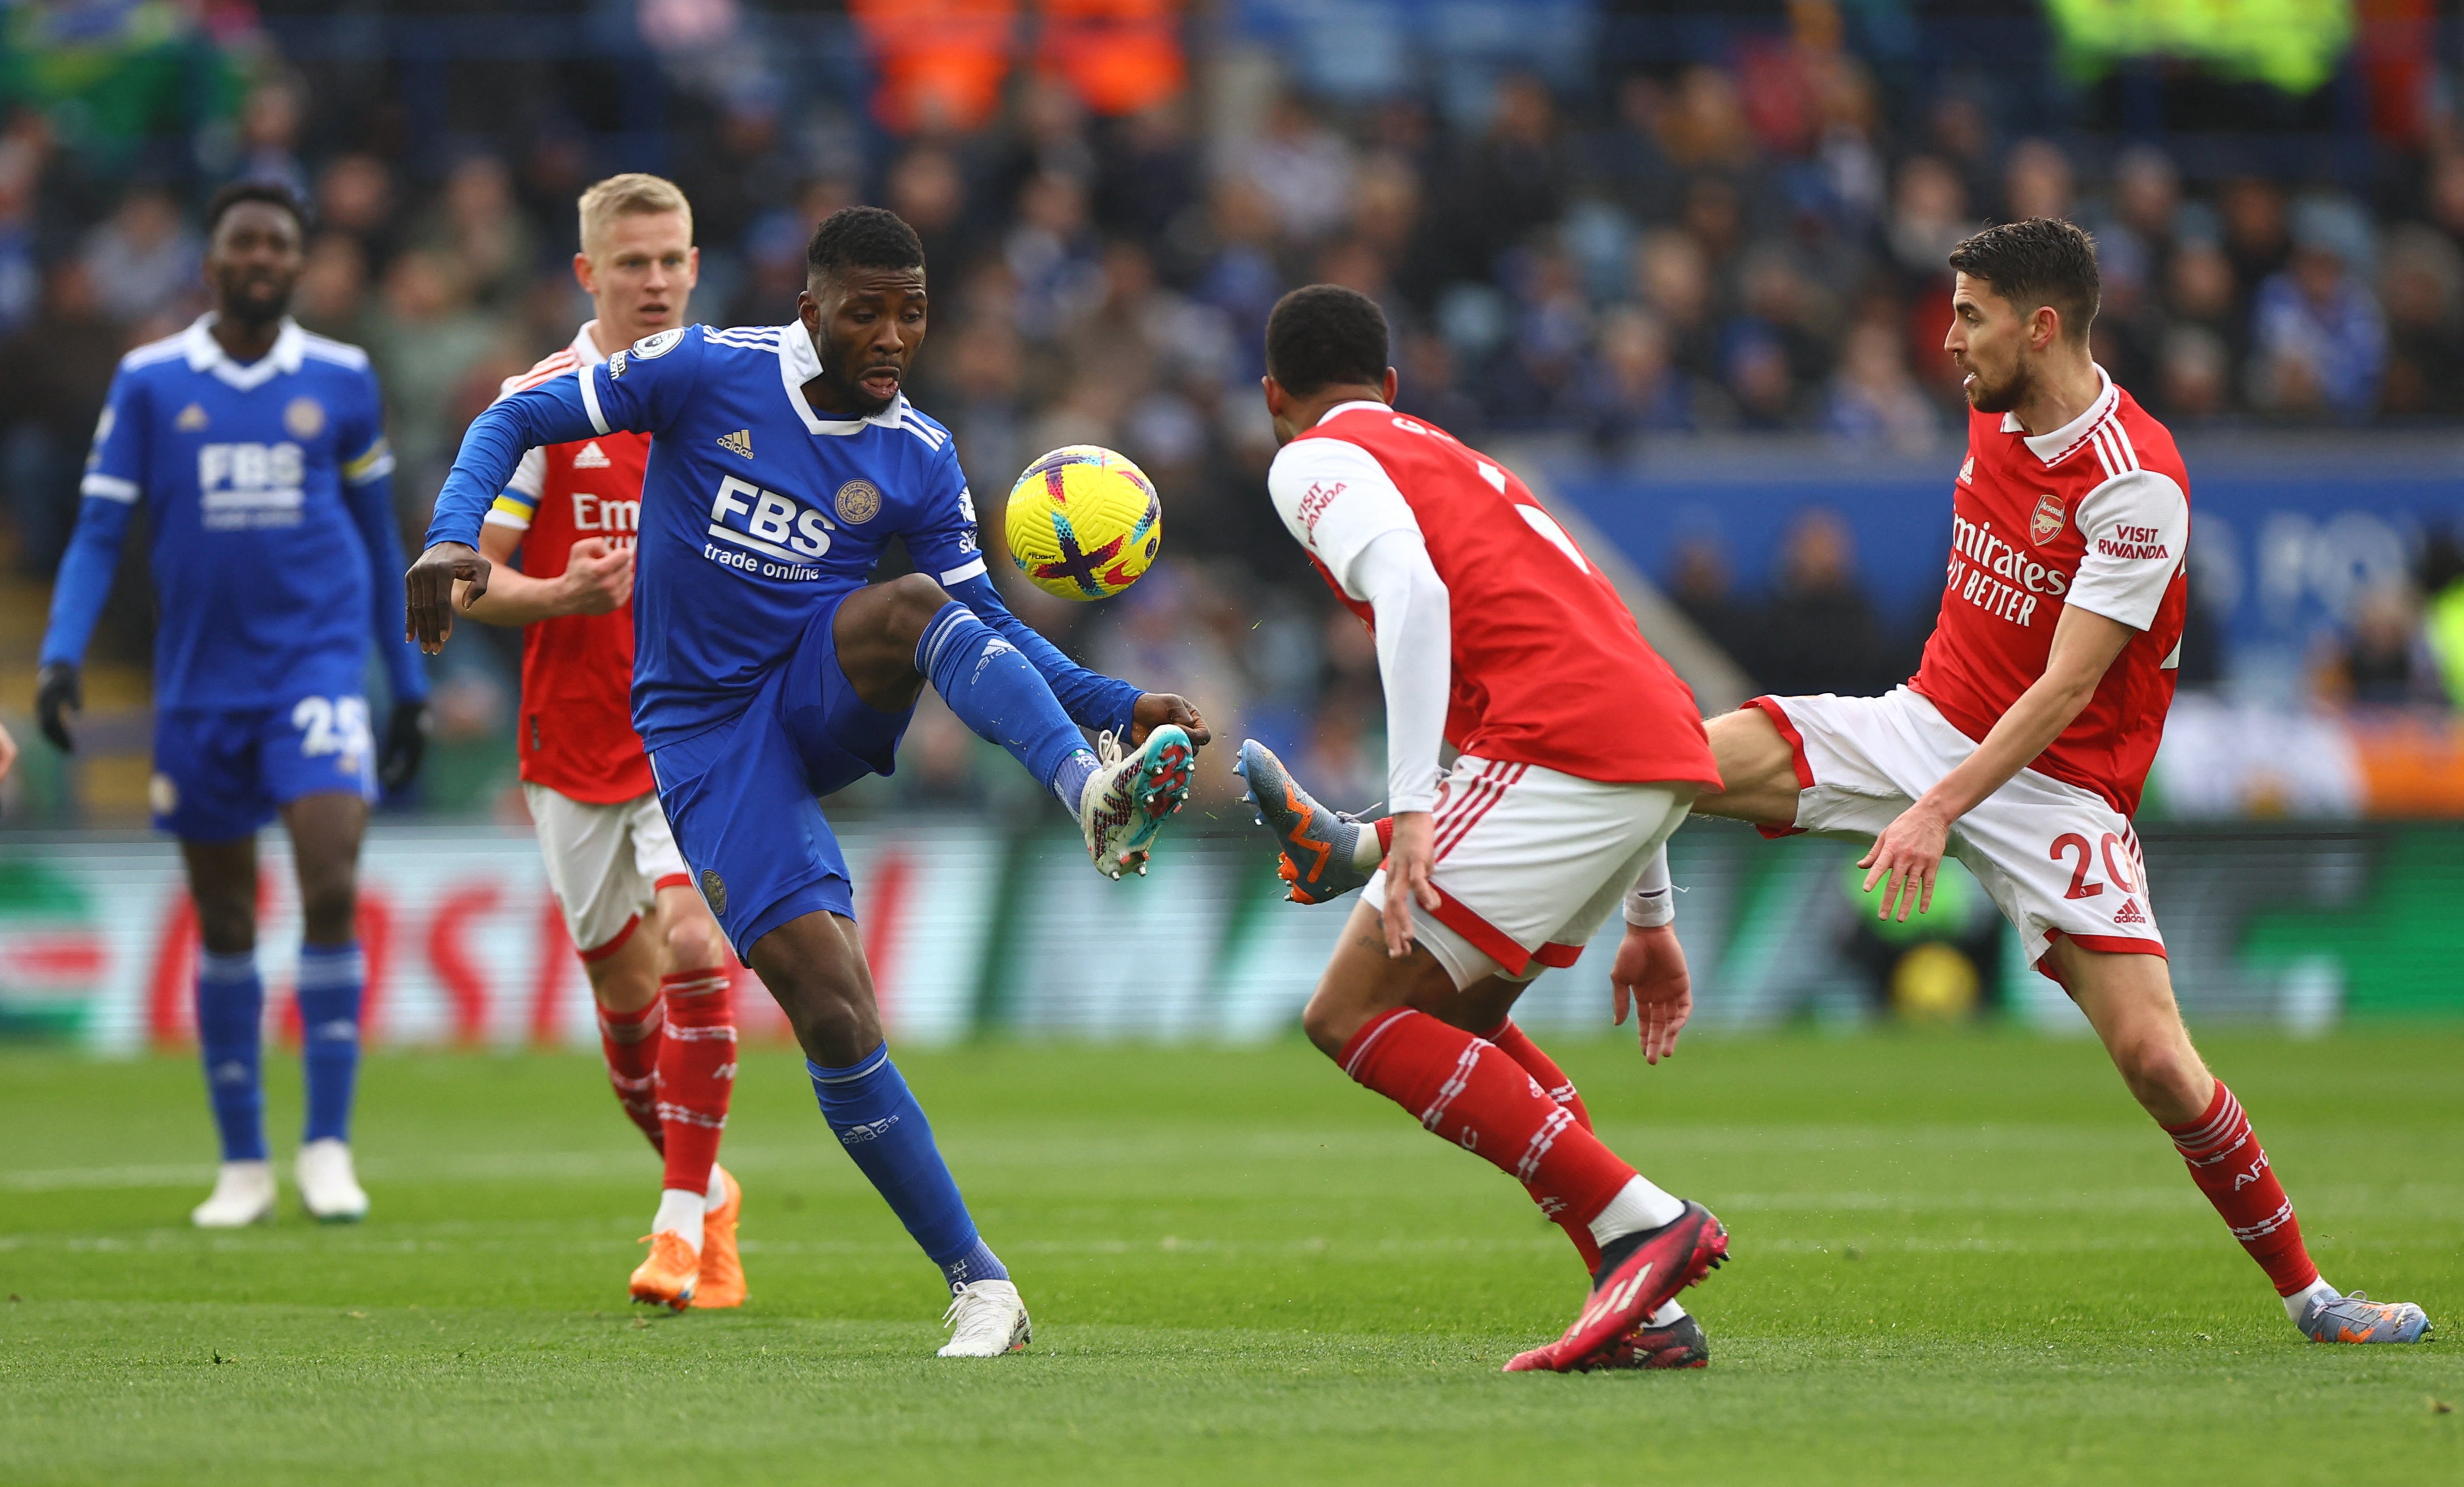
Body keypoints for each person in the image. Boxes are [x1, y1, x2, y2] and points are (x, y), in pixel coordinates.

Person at [1258, 222, 2436, 1348]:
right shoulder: (1996, 410)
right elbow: (1631, 759)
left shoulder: (2137, 485)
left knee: (2154, 1062)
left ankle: (2311, 1294)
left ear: (2039, 327)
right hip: (1919, 724)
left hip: (2055, 784)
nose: (1946, 340)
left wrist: (1936, 809)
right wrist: (1654, 917)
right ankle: (1366, 847)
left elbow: (2066, 692)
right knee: (1666, 749)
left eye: (1968, 319)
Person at [405, 205, 1206, 1357]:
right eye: (866, 312)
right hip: (702, 733)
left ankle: (1089, 790)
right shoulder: (701, 371)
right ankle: (981, 1286)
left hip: (819, 691)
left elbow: (982, 623)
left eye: (912, 312)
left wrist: (1110, 704)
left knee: (921, 609)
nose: (891, 336)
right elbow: (517, 411)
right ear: (812, 311)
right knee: (832, 1009)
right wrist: (448, 534)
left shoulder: (918, 454)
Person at [1237, 284, 1730, 1375]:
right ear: (1394, 385)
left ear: (1274, 395)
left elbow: (1410, 592)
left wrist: (1412, 806)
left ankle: (1643, 1222)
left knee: (1350, 1015)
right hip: (1642, 739)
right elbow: (1601, 633)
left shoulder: (1309, 459)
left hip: (1564, 746)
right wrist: (1648, 912)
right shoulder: (1458, 458)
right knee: (1447, 1020)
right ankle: (1642, 1306)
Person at [36, 181, 430, 1228]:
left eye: (279, 245)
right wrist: (61, 653)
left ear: (299, 267)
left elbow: (381, 535)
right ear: (210, 265)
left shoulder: (343, 379)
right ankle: (245, 1161)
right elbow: (96, 531)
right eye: (243, 243)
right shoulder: (153, 383)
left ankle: (330, 1147)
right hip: (202, 684)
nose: (261, 258)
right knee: (222, 916)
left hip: (316, 668)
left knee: (330, 875)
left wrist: (411, 682)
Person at [454, 174, 744, 1310]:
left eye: (673, 258)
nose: (658, 281)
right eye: (633, 263)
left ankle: (676, 1234)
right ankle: (708, 1192)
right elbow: (468, 578)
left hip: (696, 729)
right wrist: (558, 600)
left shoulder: (734, 393)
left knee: (692, 944)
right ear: (588, 275)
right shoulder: (536, 405)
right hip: (571, 738)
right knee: (629, 1029)